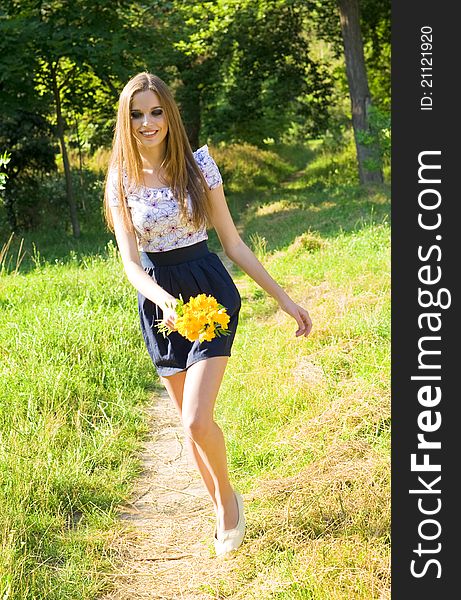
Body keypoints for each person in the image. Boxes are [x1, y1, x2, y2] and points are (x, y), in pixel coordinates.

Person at [103, 72, 312, 557]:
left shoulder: (199, 167)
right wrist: (163, 301)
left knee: (199, 418)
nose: (147, 122)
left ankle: (226, 509)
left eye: (156, 112)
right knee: (186, 422)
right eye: (137, 114)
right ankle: (222, 495)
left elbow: (233, 243)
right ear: (126, 120)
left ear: (169, 114)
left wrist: (283, 298)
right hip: (161, 302)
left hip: (210, 291)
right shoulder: (121, 179)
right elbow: (131, 264)